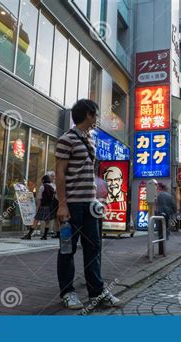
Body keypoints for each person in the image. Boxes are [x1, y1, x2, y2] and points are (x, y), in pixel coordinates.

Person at [55, 99, 120, 310]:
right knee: (68, 249)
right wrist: (62, 204)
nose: (97, 119)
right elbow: (60, 173)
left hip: (91, 205)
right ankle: (67, 292)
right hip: (72, 205)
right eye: (96, 115)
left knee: (94, 248)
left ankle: (97, 292)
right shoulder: (66, 139)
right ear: (89, 115)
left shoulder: (89, 140)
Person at [22, 174, 56, 240]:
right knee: (47, 221)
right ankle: (45, 236)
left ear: (43, 180)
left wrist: (37, 208)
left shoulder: (42, 187)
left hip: (43, 206)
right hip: (50, 206)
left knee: (36, 219)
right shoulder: (52, 187)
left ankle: (29, 235)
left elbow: (39, 199)